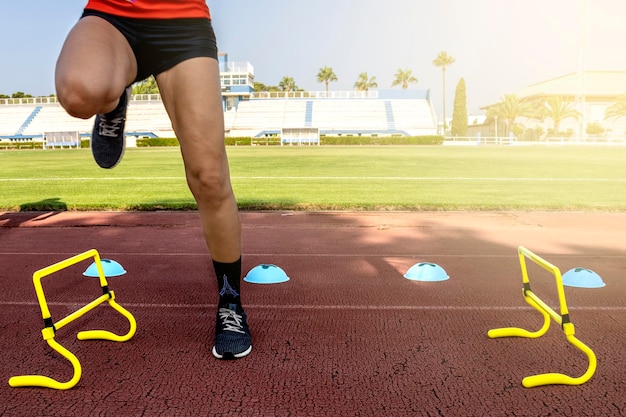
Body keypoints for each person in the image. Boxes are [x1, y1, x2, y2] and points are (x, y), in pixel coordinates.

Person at [55, 0, 252, 360]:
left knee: (209, 176)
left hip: (182, 22)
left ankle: (230, 301)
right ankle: (111, 99)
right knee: (79, 93)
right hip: (112, 15)